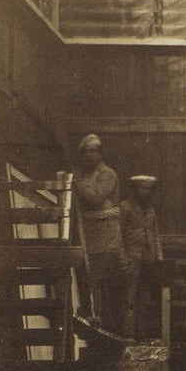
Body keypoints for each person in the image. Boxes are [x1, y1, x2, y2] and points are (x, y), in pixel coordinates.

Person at [73, 134, 124, 332]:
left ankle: (105, 326)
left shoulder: (107, 174)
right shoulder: (86, 177)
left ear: (100, 153)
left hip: (106, 239)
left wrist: (78, 183)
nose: (89, 155)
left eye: (93, 151)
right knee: (93, 281)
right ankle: (100, 324)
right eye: (86, 151)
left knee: (102, 282)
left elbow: (94, 197)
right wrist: (98, 213)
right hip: (91, 239)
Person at [120, 174, 164, 339]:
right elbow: (119, 236)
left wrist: (159, 258)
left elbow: (155, 235)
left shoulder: (151, 210)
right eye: (141, 189)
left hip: (148, 262)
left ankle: (142, 335)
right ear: (135, 189)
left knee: (144, 299)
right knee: (128, 299)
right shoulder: (125, 208)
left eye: (147, 189)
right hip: (130, 261)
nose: (144, 192)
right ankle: (128, 336)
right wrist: (122, 259)